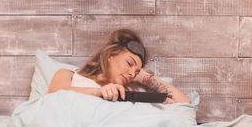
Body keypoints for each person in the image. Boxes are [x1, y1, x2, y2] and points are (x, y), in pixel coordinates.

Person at [48, 29, 191, 103]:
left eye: (135, 72)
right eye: (129, 63)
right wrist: (99, 92)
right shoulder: (69, 75)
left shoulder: (127, 94)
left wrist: (144, 77)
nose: (131, 74)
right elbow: (53, 95)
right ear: (111, 55)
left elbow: (184, 102)